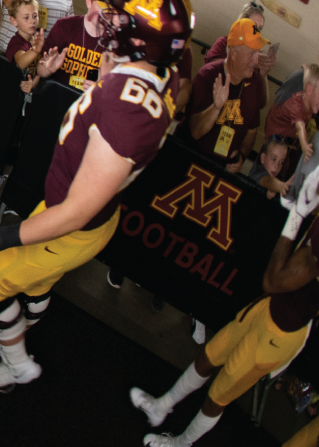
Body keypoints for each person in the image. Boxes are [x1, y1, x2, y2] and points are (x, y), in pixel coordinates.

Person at [0, 0, 194, 389]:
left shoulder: (126, 109)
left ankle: (17, 363)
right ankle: (18, 335)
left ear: (141, 36)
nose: (109, 23)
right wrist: (106, 78)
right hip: (74, 207)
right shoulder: (159, 77)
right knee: (40, 280)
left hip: (73, 220)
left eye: (120, 19)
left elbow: (77, 210)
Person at [130, 168, 319, 447]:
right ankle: (161, 406)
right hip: (268, 309)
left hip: (279, 333)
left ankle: (181, 444)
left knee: (217, 397)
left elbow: (272, 280)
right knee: (209, 355)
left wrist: (297, 215)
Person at [180, 19, 268, 173]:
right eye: (252, 52)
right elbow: (194, 131)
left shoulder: (255, 84)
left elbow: (252, 131)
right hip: (187, 161)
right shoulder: (209, 74)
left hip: (220, 172)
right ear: (234, 52)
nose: (256, 60)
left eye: (258, 52)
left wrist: (241, 155)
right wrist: (216, 107)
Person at [36, 0, 117, 92]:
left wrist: (102, 87)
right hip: (56, 98)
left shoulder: (115, 41)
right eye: (102, 7)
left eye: (111, 9)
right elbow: (40, 70)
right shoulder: (65, 25)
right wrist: (48, 69)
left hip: (86, 105)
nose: (107, 14)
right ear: (88, 2)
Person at [261, 63, 319, 178]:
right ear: (309, 90)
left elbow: (308, 71)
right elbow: (300, 127)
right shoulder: (297, 104)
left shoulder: (311, 101)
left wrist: (306, 68)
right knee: (273, 163)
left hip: (287, 140)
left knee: (285, 163)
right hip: (274, 138)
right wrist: (305, 146)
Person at [4, 0, 44, 86]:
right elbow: (21, 62)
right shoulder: (16, 42)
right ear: (14, 21)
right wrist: (34, 51)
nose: (32, 21)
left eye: (35, 16)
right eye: (26, 18)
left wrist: (34, 83)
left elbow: (40, 69)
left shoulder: (36, 40)